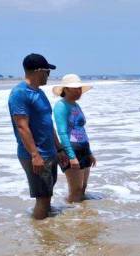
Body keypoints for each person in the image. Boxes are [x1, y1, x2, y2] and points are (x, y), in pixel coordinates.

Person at [8, 53, 63, 220]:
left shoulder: (39, 92)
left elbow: (48, 123)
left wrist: (58, 148)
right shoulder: (20, 93)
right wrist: (35, 155)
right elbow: (22, 126)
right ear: (39, 71)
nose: (49, 75)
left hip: (49, 152)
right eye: (47, 71)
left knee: (47, 194)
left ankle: (46, 230)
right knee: (43, 198)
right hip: (36, 155)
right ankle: (42, 238)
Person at [52, 74, 96, 203]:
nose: (78, 91)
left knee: (83, 188)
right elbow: (62, 132)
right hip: (72, 149)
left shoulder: (76, 105)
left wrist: (90, 152)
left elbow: (81, 130)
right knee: (75, 191)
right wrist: (71, 156)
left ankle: (82, 219)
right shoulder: (61, 106)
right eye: (75, 88)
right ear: (65, 89)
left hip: (83, 149)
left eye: (79, 88)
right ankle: (72, 220)